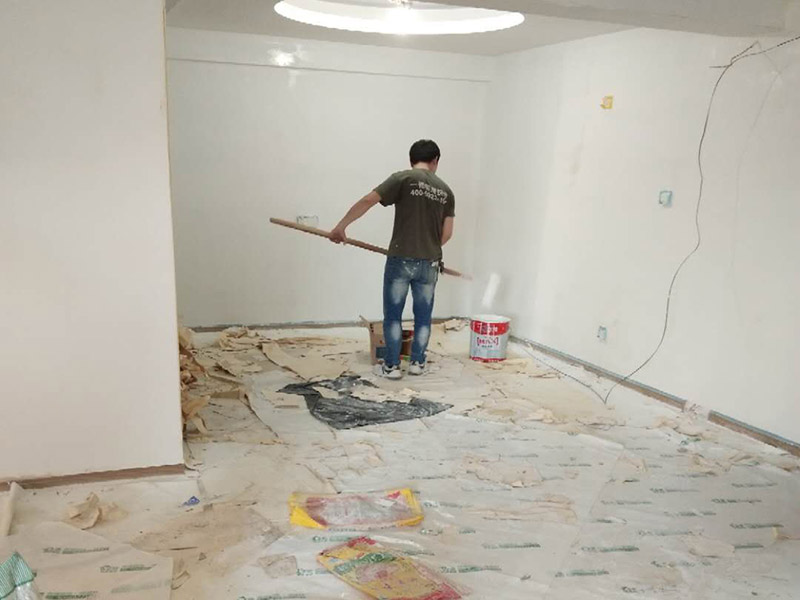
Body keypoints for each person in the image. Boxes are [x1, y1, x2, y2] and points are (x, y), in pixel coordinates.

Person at [330, 139, 455, 379]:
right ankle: (418, 363)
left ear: (411, 160)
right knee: (423, 318)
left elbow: (368, 200)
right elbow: (447, 233)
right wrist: (427, 247)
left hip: (401, 259)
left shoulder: (403, 178)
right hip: (430, 263)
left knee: (393, 316)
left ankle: (392, 367)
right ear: (435, 160)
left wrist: (341, 227)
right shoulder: (446, 191)